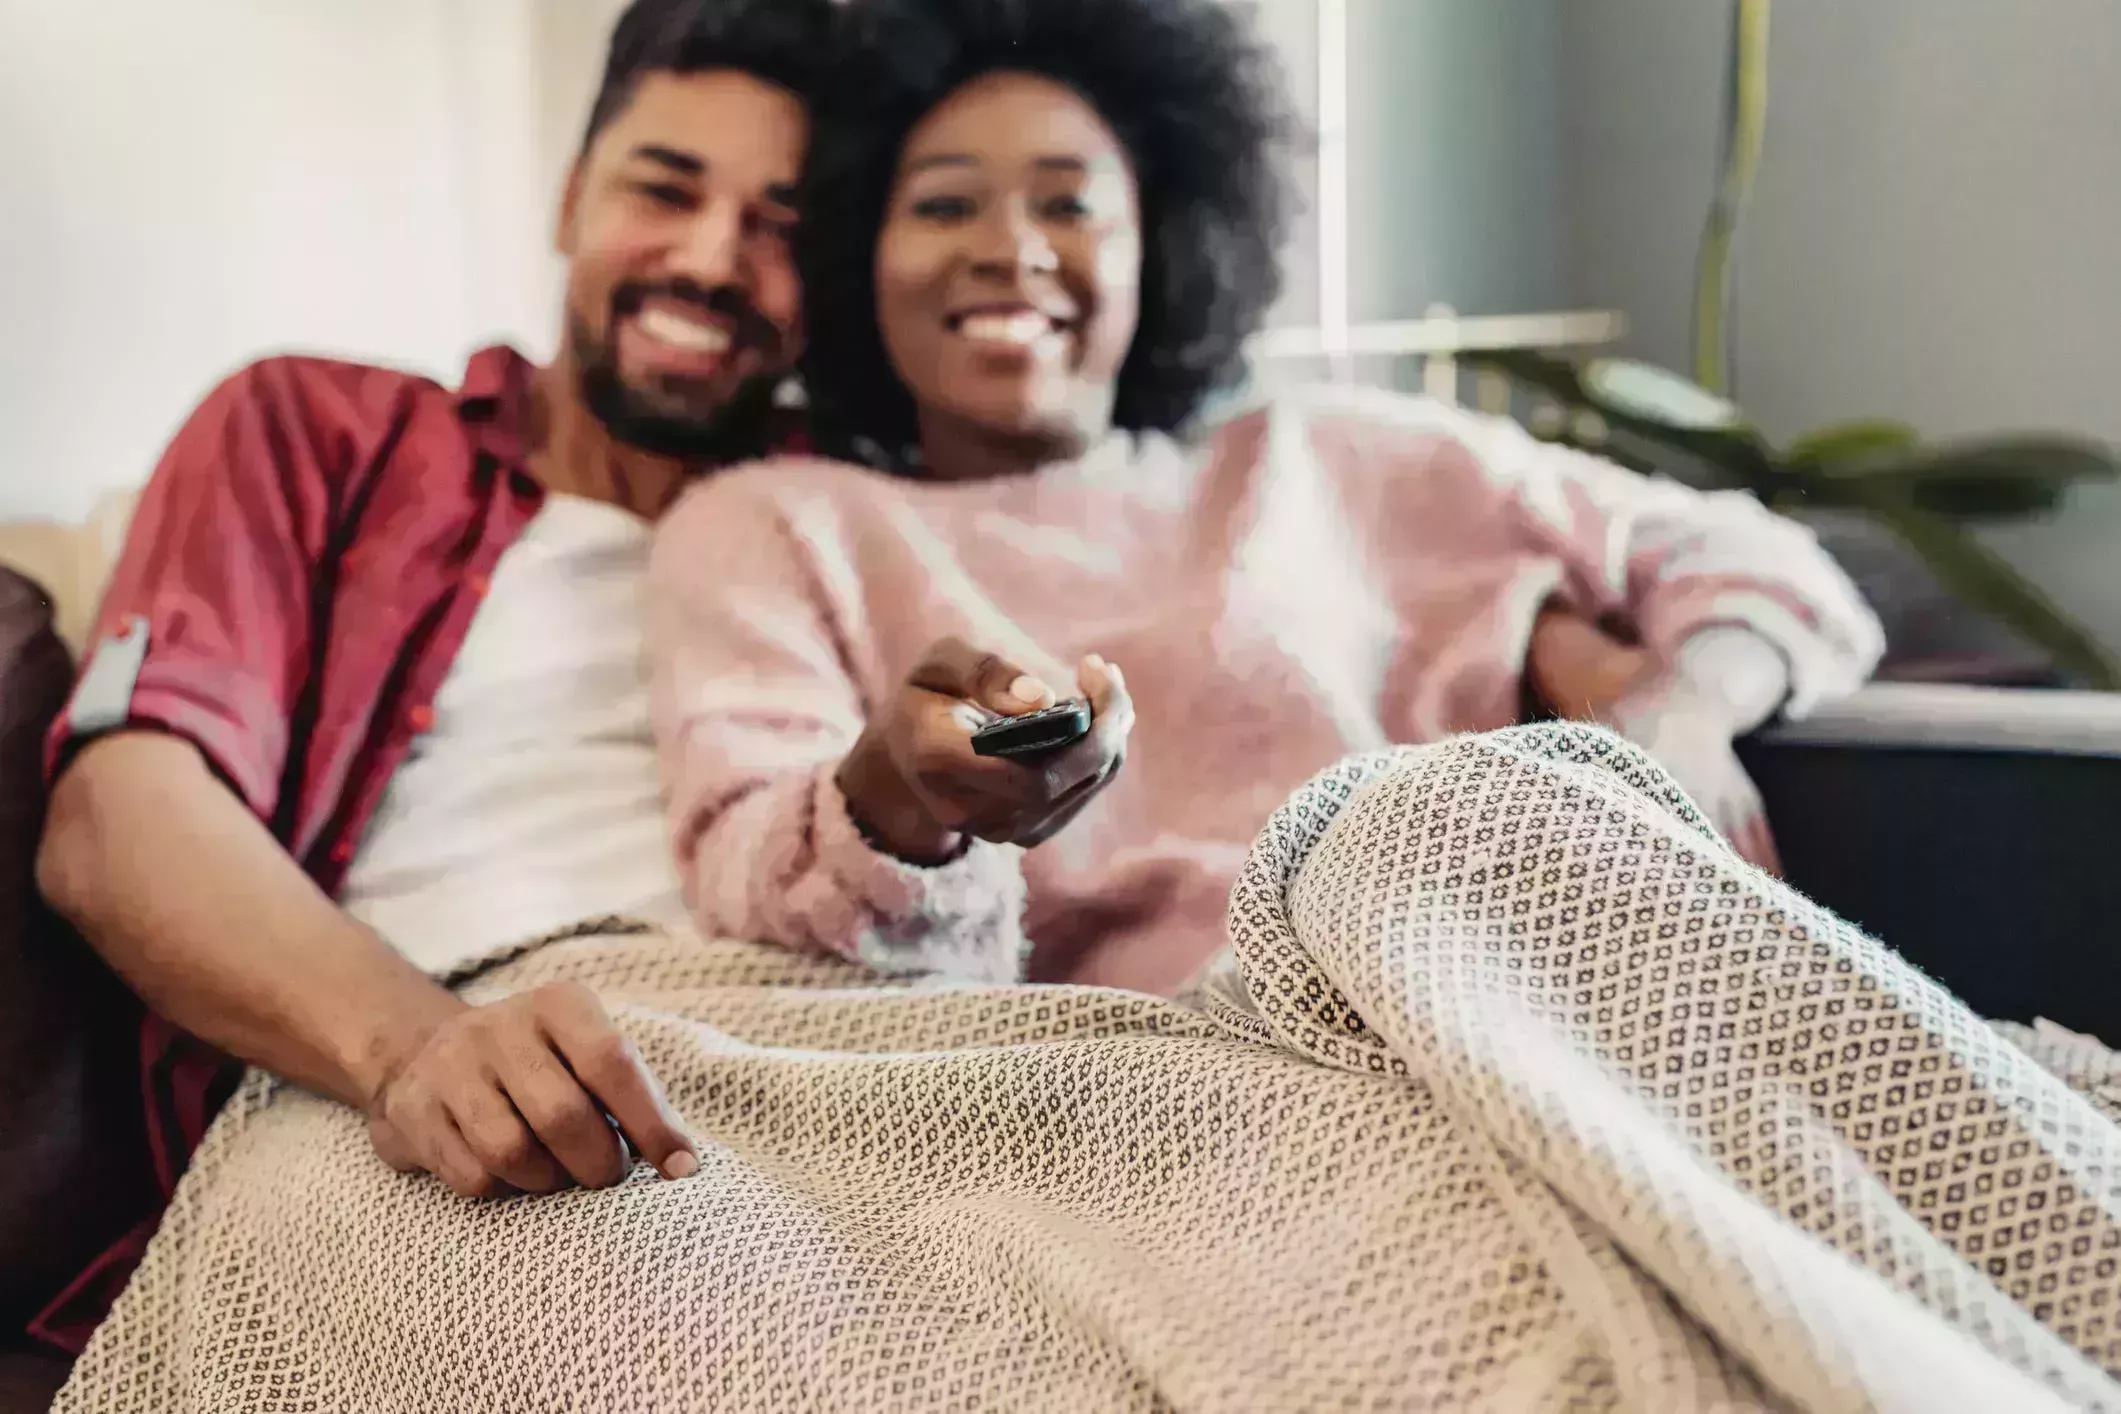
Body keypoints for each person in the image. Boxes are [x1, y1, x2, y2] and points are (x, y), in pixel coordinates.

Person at [646, 0, 1887, 998]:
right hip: (1170, 1102)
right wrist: (901, 799)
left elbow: (1765, 564)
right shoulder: (774, 524)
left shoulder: (1337, 452)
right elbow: (747, 855)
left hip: (1520, 989)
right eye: (945, 203)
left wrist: (1681, 717)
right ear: (858, 258)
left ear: (1162, 247)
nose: (1010, 245)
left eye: (1070, 203)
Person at [26, 0, 833, 1352]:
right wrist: (415, 1048)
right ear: (572, 197)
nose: (712, 258)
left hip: (802, 1062)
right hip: (412, 1059)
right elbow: (118, 815)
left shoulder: (853, 512)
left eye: (782, 228)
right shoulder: (315, 430)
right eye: (665, 186)